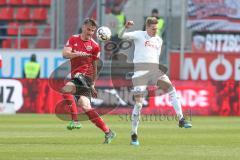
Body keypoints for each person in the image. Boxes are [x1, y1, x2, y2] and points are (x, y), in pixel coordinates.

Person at [118, 17, 192, 146]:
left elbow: (156, 57)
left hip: (154, 70)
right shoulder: (139, 35)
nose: (155, 31)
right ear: (147, 27)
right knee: (139, 104)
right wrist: (126, 27)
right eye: (153, 29)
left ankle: (181, 119)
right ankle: (134, 134)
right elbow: (121, 35)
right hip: (140, 72)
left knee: (172, 90)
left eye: (157, 29)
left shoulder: (158, 39)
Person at [62, 18, 116, 144]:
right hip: (76, 76)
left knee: (66, 90)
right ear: (83, 27)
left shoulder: (95, 47)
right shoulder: (73, 39)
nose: (90, 32)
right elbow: (65, 54)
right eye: (88, 29)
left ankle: (75, 121)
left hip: (84, 77)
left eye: (92, 30)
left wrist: (93, 83)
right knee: (86, 106)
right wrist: (77, 54)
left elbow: (95, 66)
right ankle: (108, 132)